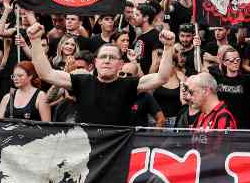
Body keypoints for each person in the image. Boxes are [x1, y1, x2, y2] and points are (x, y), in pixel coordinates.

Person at [29, 22, 175, 126]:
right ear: (96, 62)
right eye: (103, 57)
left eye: (112, 58)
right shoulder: (81, 81)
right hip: (87, 151)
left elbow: (162, 77)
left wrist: (168, 48)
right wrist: (35, 41)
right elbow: (46, 74)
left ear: (120, 64)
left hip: (117, 149)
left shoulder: (130, 83)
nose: (107, 61)